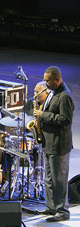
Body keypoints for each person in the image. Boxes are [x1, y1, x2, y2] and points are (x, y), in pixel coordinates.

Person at [34, 66, 74, 222]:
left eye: (48, 81)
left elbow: (65, 120)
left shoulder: (64, 96)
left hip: (59, 145)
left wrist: (43, 115)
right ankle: (51, 207)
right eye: (45, 80)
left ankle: (62, 211)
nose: (45, 83)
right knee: (49, 178)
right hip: (48, 142)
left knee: (59, 179)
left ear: (58, 80)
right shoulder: (52, 92)